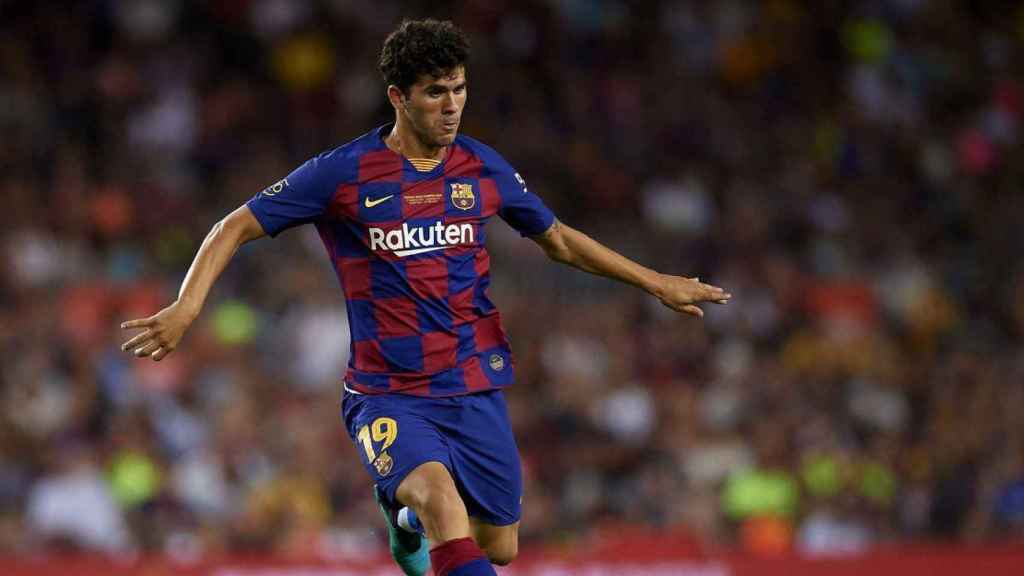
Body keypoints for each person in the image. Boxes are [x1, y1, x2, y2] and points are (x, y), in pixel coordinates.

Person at [120, 18, 730, 576]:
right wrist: (187, 306)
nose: (452, 106)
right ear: (398, 97)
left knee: (498, 546)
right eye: (436, 92)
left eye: (459, 89)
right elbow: (236, 225)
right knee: (442, 501)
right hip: (386, 391)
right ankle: (416, 507)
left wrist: (656, 281)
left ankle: (402, 521)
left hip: (470, 383)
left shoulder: (482, 168)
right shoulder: (344, 173)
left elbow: (562, 242)